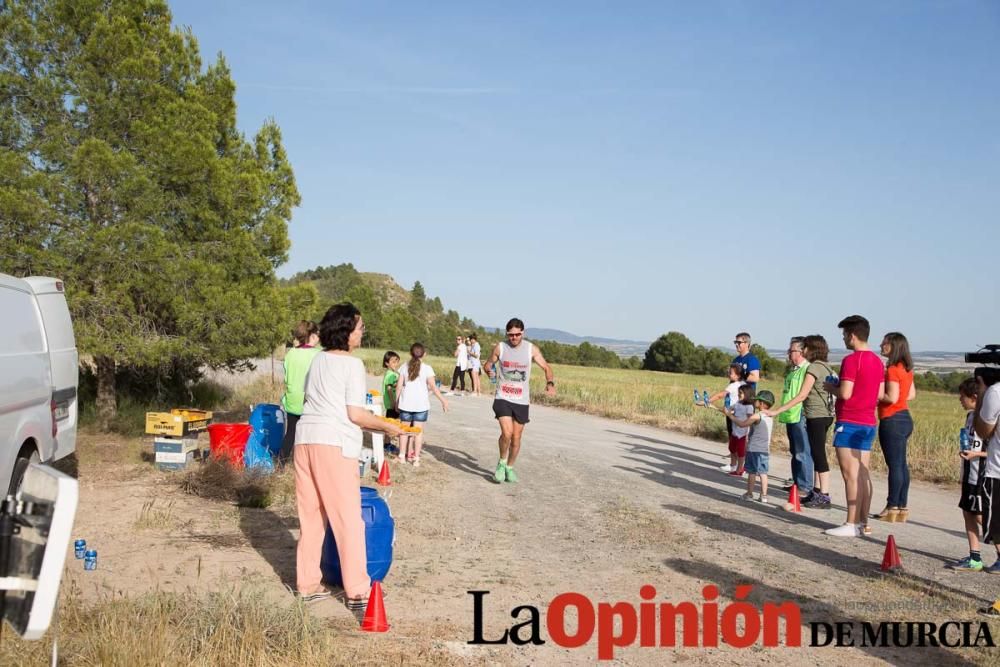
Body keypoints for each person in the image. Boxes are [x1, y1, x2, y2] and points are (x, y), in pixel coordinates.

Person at [293, 303, 403, 615]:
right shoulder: (352, 366)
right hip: (334, 444)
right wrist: (388, 426)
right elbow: (355, 414)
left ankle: (307, 585)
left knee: (311, 518)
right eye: (359, 327)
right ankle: (357, 591)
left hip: (305, 440)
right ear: (346, 332)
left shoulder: (317, 361)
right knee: (348, 520)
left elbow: (309, 400)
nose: (363, 332)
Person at [823, 315, 884, 538]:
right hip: (868, 422)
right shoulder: (878, 361)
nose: (844, 340)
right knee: (863, 475)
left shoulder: (851, 360)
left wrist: (831, 388)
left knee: (850, 475)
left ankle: (850, 523)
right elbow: (879, 394)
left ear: (852, 335)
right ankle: (863, 522)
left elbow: (846, 393)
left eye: (844, 335)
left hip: (849, 421)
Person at [484, 318, 556, 484]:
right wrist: (489, 371)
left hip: (521, 400)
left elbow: (546, 367)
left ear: (522, 333)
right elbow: (488, 365)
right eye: (511, 335)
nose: (514, 338)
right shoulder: (500, 347)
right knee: (507, 433)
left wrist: (550, 383)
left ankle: (510, 467)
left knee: (516, 438)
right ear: (507, 334)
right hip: (503, 397)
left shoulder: (531, 349)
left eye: (517, 335)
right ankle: (501, 463)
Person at [950, 379, 1000, 572]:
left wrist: (976, 454)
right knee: (967, 512)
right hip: (969, 473)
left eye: (963, 396)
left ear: (975, 398)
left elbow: (993, 451)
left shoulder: (988, 418)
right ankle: (975, 556)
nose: (959, 399)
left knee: (984, 516)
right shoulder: (971, 417)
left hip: (982, 474)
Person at [764, 338, 814, 504]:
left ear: (801, 352)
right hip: (790, 415)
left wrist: (778, 410)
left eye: (792, 351)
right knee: (794, 451)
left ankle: (805, 486)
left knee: (802, 452)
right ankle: (796, 481)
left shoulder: (807, 369)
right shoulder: (793, 370)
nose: (789, 353)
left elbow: (801, 395)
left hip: (799, 414)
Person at [874, 332, 916, 523]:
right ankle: (901, 506)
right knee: (901, 464)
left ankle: (891, 506)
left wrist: (874, 395)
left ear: (893, 346)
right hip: (905, 417)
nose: (881, 345)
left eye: (885, 343)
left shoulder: (892, 369)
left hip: (891, 419)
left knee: (895, 465)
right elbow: (910, 394)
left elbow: (890, 397)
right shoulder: (906, 368)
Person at [798, 335, 836, 509]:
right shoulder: (827, 367)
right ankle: (817, 490)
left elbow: (803, 394)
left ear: (811, 349)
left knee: (819, 454)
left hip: (816, 415)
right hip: (827, 415)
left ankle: (825, 495)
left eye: (804, 347)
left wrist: (780, 409)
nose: (802, 351)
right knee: (816, 452)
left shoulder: (813, 367)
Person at [396, 342, 449, 467]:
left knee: (403, 431)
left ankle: (402, 456)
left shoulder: (404, 367)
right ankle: (416, 459)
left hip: (405, 404)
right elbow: (434, 387)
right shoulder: (427, 368)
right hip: (421, 406)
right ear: (424, 354)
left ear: (410, 353)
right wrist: (443, 400)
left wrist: (396, 401)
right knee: (418, 433)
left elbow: (398, 386)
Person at [975, 372, 1000, 617]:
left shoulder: (996, 392)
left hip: (999, 473)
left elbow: (983, 431)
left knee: (998, 534)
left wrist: (982, 394)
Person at [279, 320, 321, 464]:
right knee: (311, 437)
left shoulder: (291, 353)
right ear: (313, 335)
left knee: (290, 434)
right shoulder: (318, 354)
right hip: (310, 402)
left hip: (291, 400)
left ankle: (280, 463)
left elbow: (287, 375)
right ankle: (306, 466)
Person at [730, 389, 775, 504]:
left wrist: (729, 415)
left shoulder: (757, 416)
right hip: (765, 450)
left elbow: (742, 424)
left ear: (762, 403)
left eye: (757, 400)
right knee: (763, 473)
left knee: (752, 472)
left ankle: (749, 494)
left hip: (754, 449)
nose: (755, 402)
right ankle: (764, 496)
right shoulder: (769, 416)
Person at [704, 363, 746, 473]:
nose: (728, 374)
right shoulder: (744, 384)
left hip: (731, 416)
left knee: (733, 441)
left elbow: (720, 395)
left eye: (730, 373)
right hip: (741, 417)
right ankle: (740, 465)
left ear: (737, 375)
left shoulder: (733, 385)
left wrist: (708, 401)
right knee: (740, 441)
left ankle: (733, 465)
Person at [710, 383, 754, 477]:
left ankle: (740, 470)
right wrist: (712, 406)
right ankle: (733, 466)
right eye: (738, 393)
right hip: (735, 432)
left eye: (740, 393)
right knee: (732, 449)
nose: (738, 395)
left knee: (741, 453)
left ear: (747, 394)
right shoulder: (737, 404)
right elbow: (728, 410)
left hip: (743, 434)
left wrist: (748, 432)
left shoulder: (749, 407)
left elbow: (751, 419)